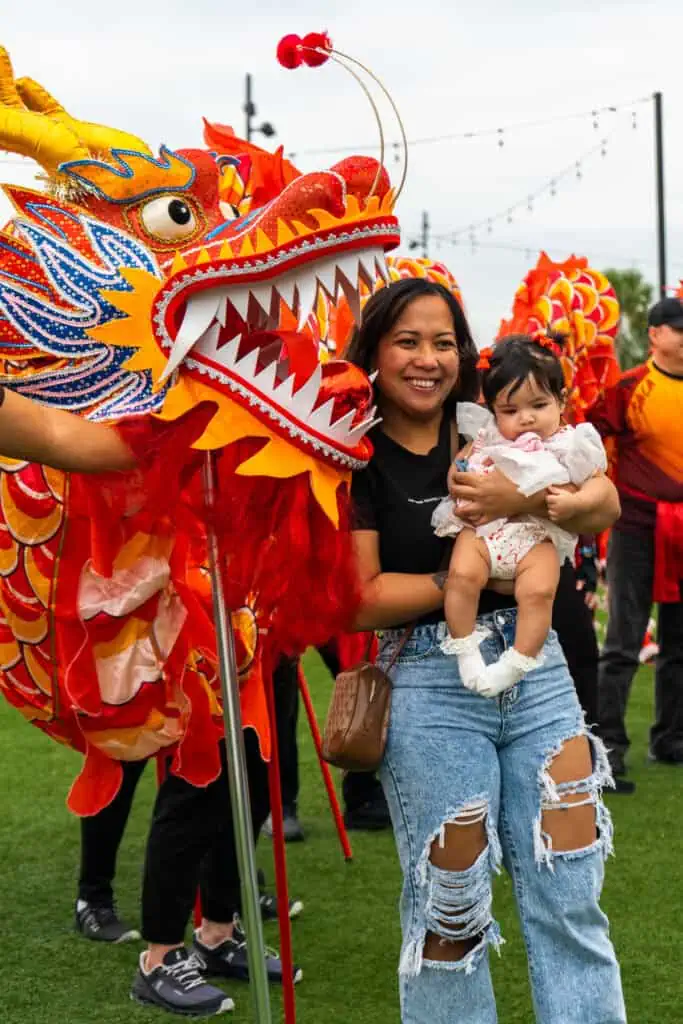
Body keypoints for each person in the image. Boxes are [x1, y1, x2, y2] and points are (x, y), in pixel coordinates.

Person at [345, 277, 626, 1023]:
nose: (427, 359)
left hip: (540, 673)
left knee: (570, 890)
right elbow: (361, 596)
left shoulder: (495, 418)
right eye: (407, 341)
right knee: (452, 908)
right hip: (430, 678)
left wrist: (518, 502)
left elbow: (603, 500)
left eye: (443, 343)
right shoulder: (353, 451)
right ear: (373, 351)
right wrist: (464, 577)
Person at [432, 335, 607, 697]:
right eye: (510, 411)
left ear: (561, 401)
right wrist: (459, 478)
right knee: (461, 577)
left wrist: (576, 503)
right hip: (484, 531)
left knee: (539, 592)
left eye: (539, 405)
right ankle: (465, 650)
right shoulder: (487, 437)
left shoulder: (570, 443)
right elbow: (459, 467)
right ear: (494, 411)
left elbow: (597, 485)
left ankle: (519, 660)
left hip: (535, 537)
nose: (526, 419)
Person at [586, 295, 683, 791]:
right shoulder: (627, 389)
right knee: (623, 641)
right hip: (636, 527)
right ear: (655, 335)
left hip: (681, 530)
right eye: (679, 329)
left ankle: (671, 738)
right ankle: (608, 749)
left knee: (679, 643)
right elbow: (585, 438)